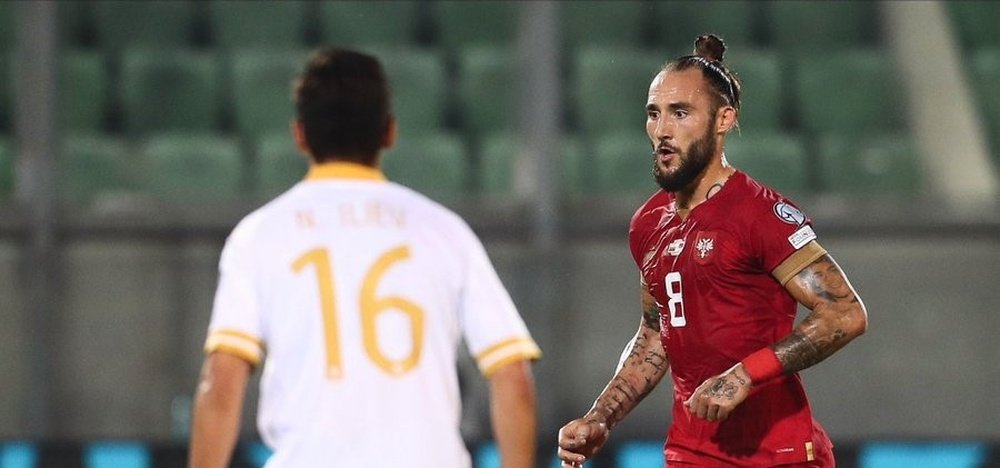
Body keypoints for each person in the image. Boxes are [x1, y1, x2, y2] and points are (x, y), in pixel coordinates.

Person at [189, 49, 541, 468]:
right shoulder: (445, 232)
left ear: (300, 134)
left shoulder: (259, 235)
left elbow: (221, 381)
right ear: (388, 132)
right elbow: (513, 376)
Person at [557, 34, 868, 467]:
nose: (662, 131)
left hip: (780, 456)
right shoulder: (648, 224)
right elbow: (655, 335)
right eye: (654, 114)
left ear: (723, 120)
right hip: (692, 452)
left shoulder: (760, 214)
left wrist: (745, 375)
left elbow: (845, 313)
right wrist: (602, 417)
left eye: (680, 113)